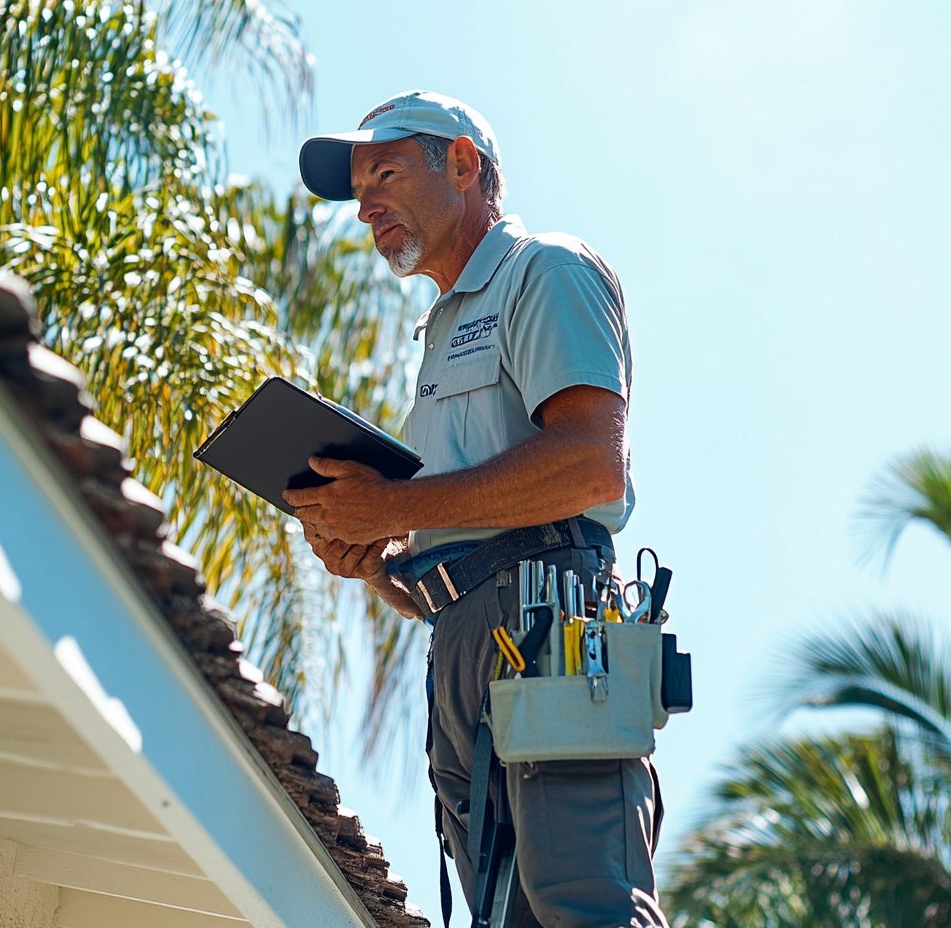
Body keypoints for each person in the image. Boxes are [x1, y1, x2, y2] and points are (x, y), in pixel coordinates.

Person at [284, 90, 669, 927]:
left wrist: (391, 502)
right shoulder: (440, 333)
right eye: (359, 192)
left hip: (550, 632)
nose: (367, 207)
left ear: (461, 163)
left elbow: (591, 464)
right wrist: (379, 561)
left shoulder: (545, 269)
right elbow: (470, 545)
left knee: (585, 908)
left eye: (383, 171)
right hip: (468, 646)